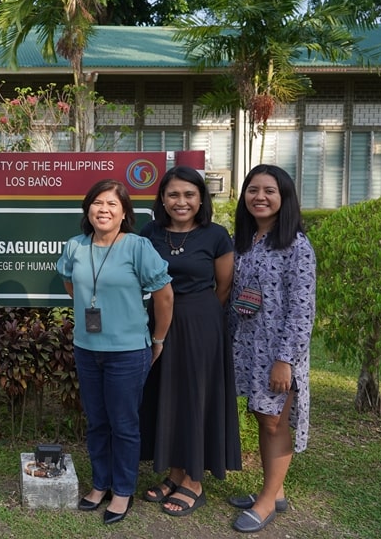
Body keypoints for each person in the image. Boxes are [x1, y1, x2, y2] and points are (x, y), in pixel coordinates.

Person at [55, 179, 173, 526]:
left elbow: (165, 296)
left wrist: (159, 339)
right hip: (87, 349)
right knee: (97, 422)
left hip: (128, 352)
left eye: (111, 204)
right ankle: (100, 484)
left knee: (123, 424)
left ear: (124, 213)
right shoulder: (76, 246)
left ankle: (122, 490)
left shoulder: (138, 247)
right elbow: (70, 283)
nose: (103, 209)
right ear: (87, 209)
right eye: (96, 203)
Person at [138, 166, 242, 516]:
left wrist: (199, 316)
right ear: (162, 199)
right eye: (173, 195)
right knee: (167, 394)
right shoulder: (150, 233)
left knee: (195, 396)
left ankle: (194, 482)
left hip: (201, 324)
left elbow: (224, 287)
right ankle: (175, 472)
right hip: (158, 322)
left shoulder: (216, 235)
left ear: (201, 199)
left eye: (188, 195)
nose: (180, 201)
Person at [228, 164, 315, 533]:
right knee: (263, 416)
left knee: (274, 420)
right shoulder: (245, 242)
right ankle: (273, 492)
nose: (259, 197)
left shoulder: (296, 245)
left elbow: (302, 307)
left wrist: (285, 360)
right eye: (252, 190)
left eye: (269, 191)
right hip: (248, 347)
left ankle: (267, 503)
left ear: (284, 198)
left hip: (278, 353)